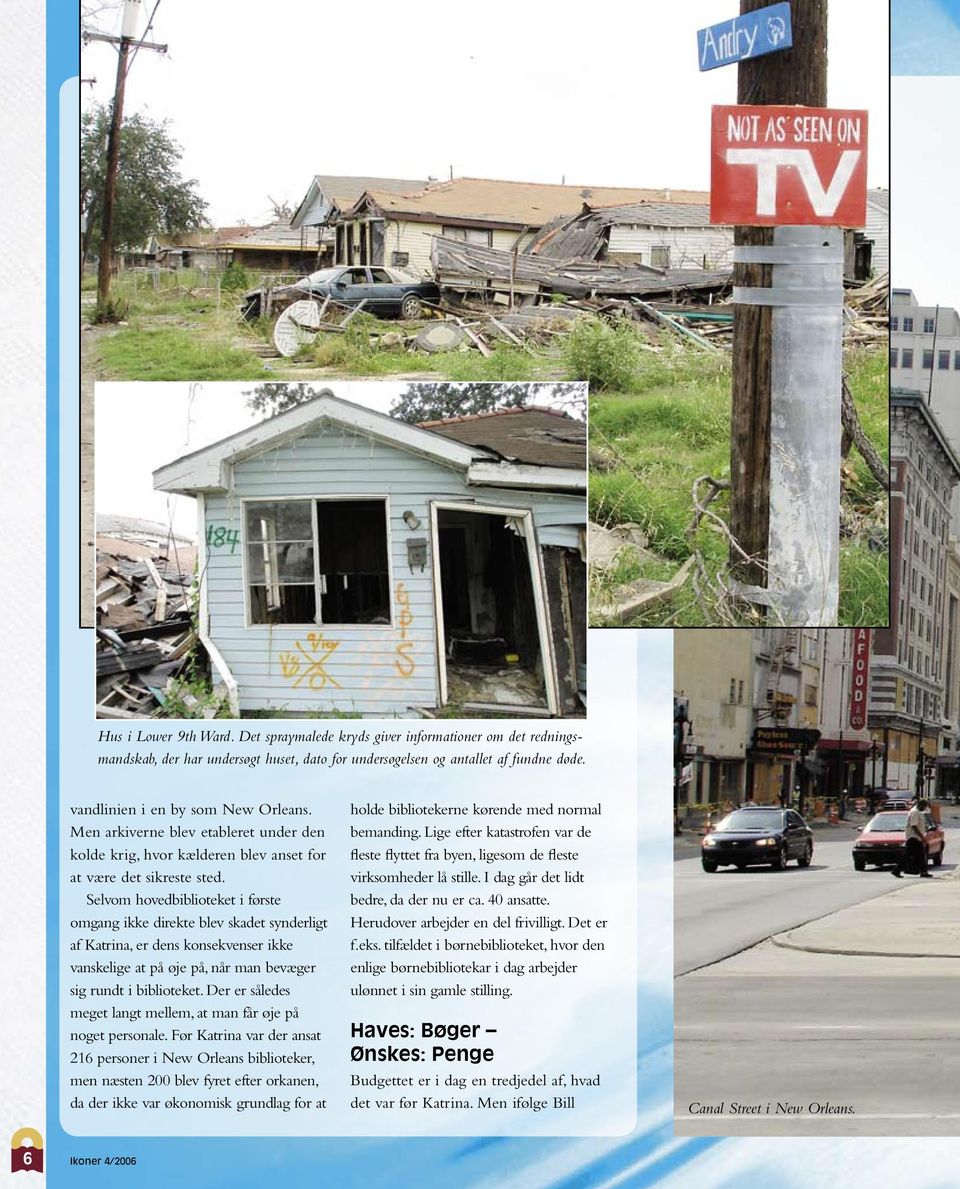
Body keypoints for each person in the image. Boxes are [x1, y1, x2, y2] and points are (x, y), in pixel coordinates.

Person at [891, 798, 932, 878]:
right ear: (921, 805)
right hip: (913, 838)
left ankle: (923, 872)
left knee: (920, 855)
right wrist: (922, 837)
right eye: (924, 806)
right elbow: (914, 826)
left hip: (916, 838)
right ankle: (897, 870)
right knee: (908, 855)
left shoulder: (917, 812)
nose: (924, 808)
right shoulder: (915, 812)